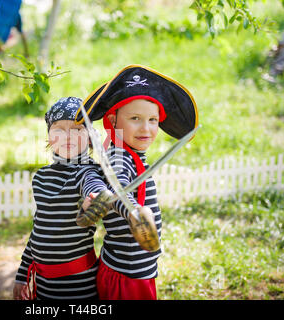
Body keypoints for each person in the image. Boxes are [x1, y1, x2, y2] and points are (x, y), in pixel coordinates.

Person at [75, 65, 199, 300]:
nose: (146, 128)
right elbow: (118, 187)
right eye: (135, 119)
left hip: (132, 268)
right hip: (127, 274)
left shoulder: (128, 151)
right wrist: (135, 214)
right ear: (113, 119)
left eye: (153, 120)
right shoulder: (119, 156)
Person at [13, 97, 107, 300]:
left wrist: (96, 197)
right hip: (44, 282)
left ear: (90, 136)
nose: (67, 137)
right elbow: (39, 230)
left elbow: (92, 183)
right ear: (48, 136)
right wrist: (22, 275)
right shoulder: (41, 177)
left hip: (78, 281)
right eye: (58, 129)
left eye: (77, 129)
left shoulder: (87, 171)